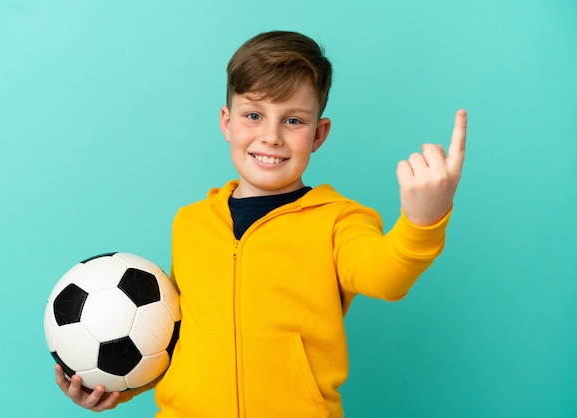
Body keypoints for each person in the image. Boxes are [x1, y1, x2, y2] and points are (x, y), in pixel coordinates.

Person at [55, 30, 467, 417]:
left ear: (319, 134)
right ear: (226, 122)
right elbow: (177, 340)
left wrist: (423, 219)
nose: (271, 136)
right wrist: (119, 385)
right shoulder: (191, 224)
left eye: (293, 121)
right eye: (253, 115)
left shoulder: (339, 220)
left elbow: (385, 277)